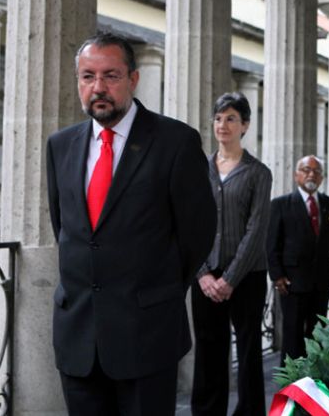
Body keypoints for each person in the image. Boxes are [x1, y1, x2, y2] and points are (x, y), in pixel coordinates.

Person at [46, 32, 216, 416]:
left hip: (147, 334)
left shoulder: (176, 141)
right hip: (78, 336)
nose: (98, 87)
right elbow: (67, 229)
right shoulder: (60, 145)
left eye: (111, 75)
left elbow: (198, 233)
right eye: (88, 77)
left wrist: (155, 289)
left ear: (133, 79)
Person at [191, 92, 273, 416]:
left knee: (250, 351)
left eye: (231, 119)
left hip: (247, 278)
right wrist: (202, 274)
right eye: (218, 118)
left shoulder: (259, 173)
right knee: (209, 352)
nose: (223, 125)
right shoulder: (199, 170)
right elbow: (190, 222)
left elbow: (256, 231)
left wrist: (230, 278)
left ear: (245, 126)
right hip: (205, 278)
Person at [267, 155, 329, 364]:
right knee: (292, 333)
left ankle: (313, 382)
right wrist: (277, 276)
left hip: (321, 281)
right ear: (296, 175)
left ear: (322, 178)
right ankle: (290, 383)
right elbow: (271, 244)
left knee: (317, 333)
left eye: (316, 171)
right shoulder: (280, 205)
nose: (311, 174)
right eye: (306, 169)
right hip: (291, 282)